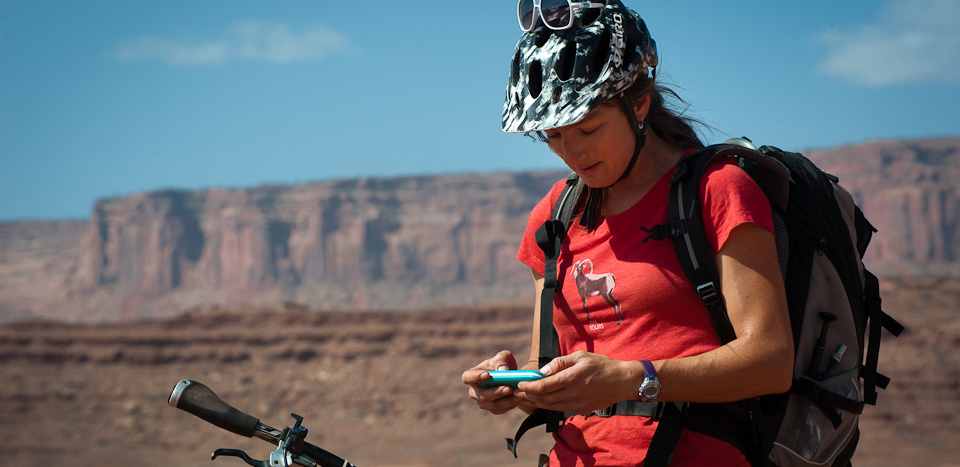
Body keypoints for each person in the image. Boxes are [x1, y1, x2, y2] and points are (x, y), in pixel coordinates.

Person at [461, 1, 794, 466]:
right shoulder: (556, 215)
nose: (571, 153)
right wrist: (515, 387)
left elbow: (771, 361)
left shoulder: (718, 189)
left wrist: (632, 378)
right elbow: (554, 372)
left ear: (639, 103)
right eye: (552, 136)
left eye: (588, 128)